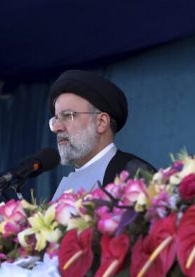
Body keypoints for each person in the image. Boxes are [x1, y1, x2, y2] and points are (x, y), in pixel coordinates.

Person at [49, 70, 156, 201]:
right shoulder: (66, 185)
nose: (56, 128)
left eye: (68, 115)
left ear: (101, 122)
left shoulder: (134, 174)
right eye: (55, 119)